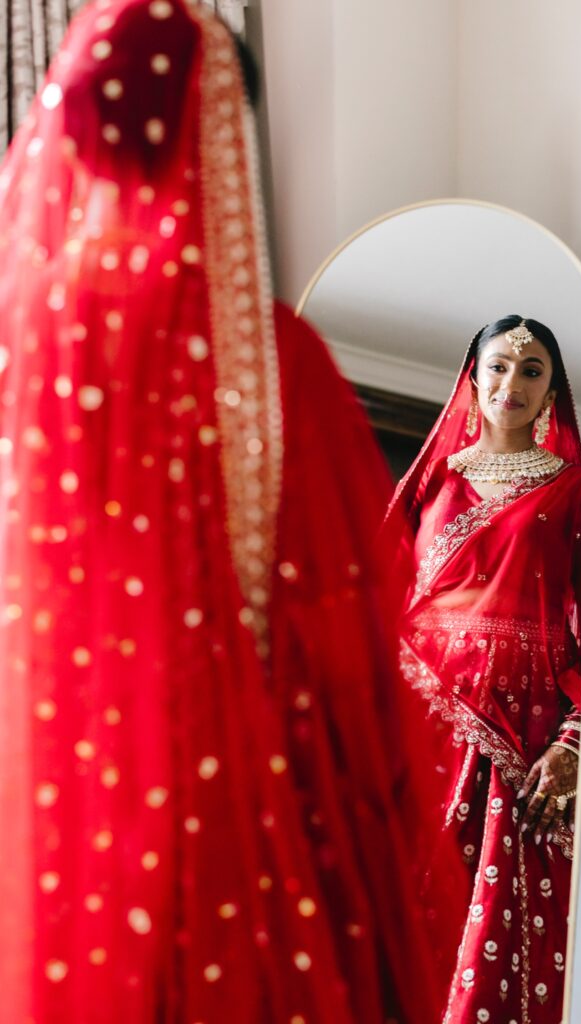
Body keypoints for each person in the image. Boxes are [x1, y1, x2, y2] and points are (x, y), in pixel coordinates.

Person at [0, 1, 458, 1020]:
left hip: (72, 815)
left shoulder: (27, 348)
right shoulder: (262, 357)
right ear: (212, 129)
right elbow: (342, 630)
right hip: (240, 820)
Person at [386, 316, 581, 1024]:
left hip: (515, 725)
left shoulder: (574, 491)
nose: (512, 382)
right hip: (413, 721)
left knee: (486, 925)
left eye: (531, 370)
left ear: (550, 394)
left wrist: (573, 744)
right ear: (471, 376)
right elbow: (382, 597)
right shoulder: (432, 478)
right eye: (499, 365)